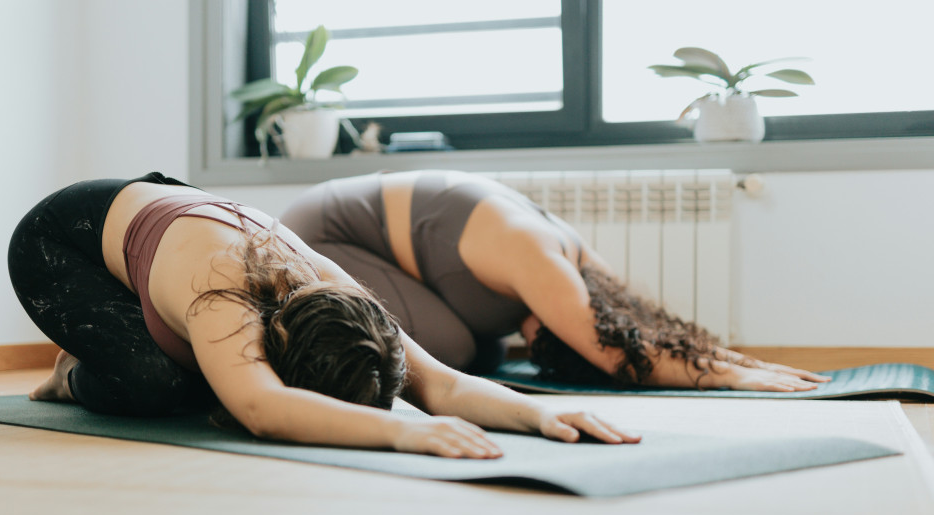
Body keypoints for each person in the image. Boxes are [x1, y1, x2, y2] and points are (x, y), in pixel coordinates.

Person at [8, 172, 640, 459]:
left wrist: (539, 415)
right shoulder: (221, 295)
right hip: (65, 243)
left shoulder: (333, 288)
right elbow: (261, 408)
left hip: (167, 228)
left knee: (209, 371)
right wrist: (404, 434)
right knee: (166, 386)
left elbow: (443, 384)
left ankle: (129, 336)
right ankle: (71, 374)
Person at [280, 170, 830, 392]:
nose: (543, 338)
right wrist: (729, 376)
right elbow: (618, 354)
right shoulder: (540, 258)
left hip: (384, 235)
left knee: (486, 352)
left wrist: (733, 357)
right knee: (456, 351)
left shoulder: (584, 264)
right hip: (319, 234)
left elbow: (643, 332)